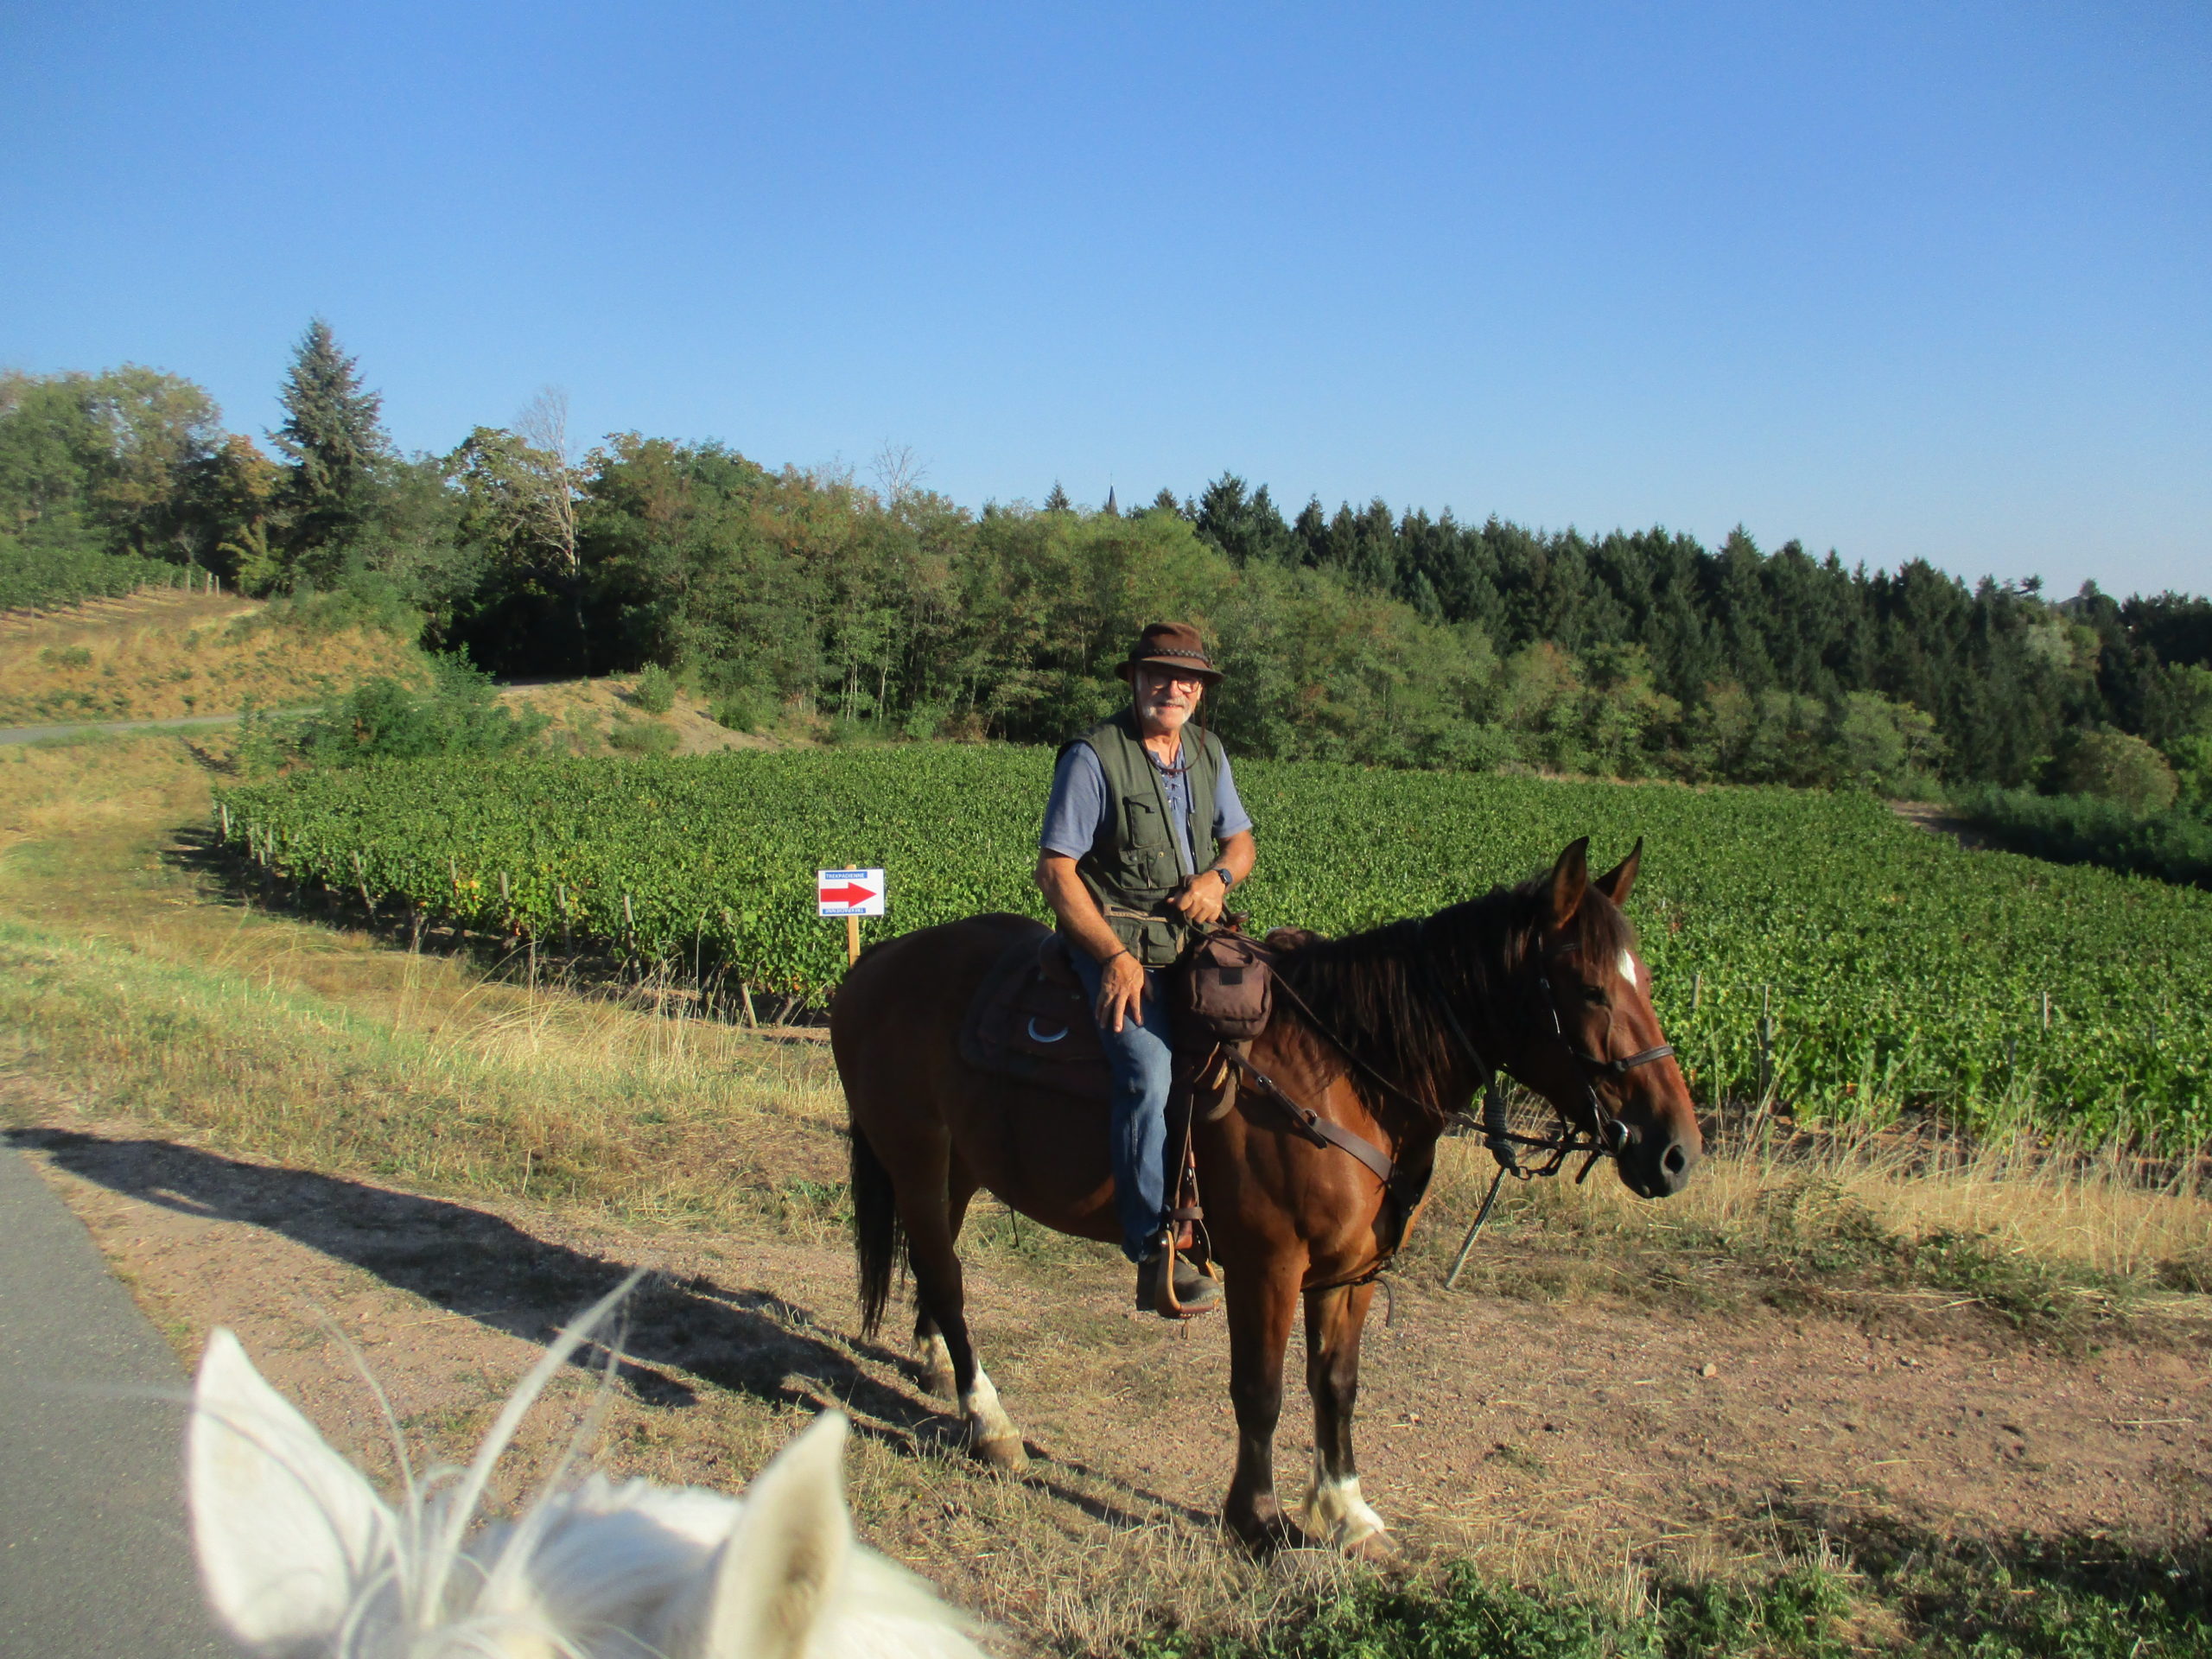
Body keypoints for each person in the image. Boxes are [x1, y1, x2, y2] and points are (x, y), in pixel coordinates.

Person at [1034, 622, 1256, 1316]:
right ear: (1134, 679)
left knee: (1264, 1041)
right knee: (1147, 1069)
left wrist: (1219, 878)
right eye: (1159, 675)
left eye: (1187, 679)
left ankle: (1230, 1208)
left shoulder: (1206, 750)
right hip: (1111, 938)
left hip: (1192, 938)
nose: (1174, 688)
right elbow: (1056, 871)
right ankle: (1153, 1242)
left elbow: (1241, 842)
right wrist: (1114, 958)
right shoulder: (1094, 757)